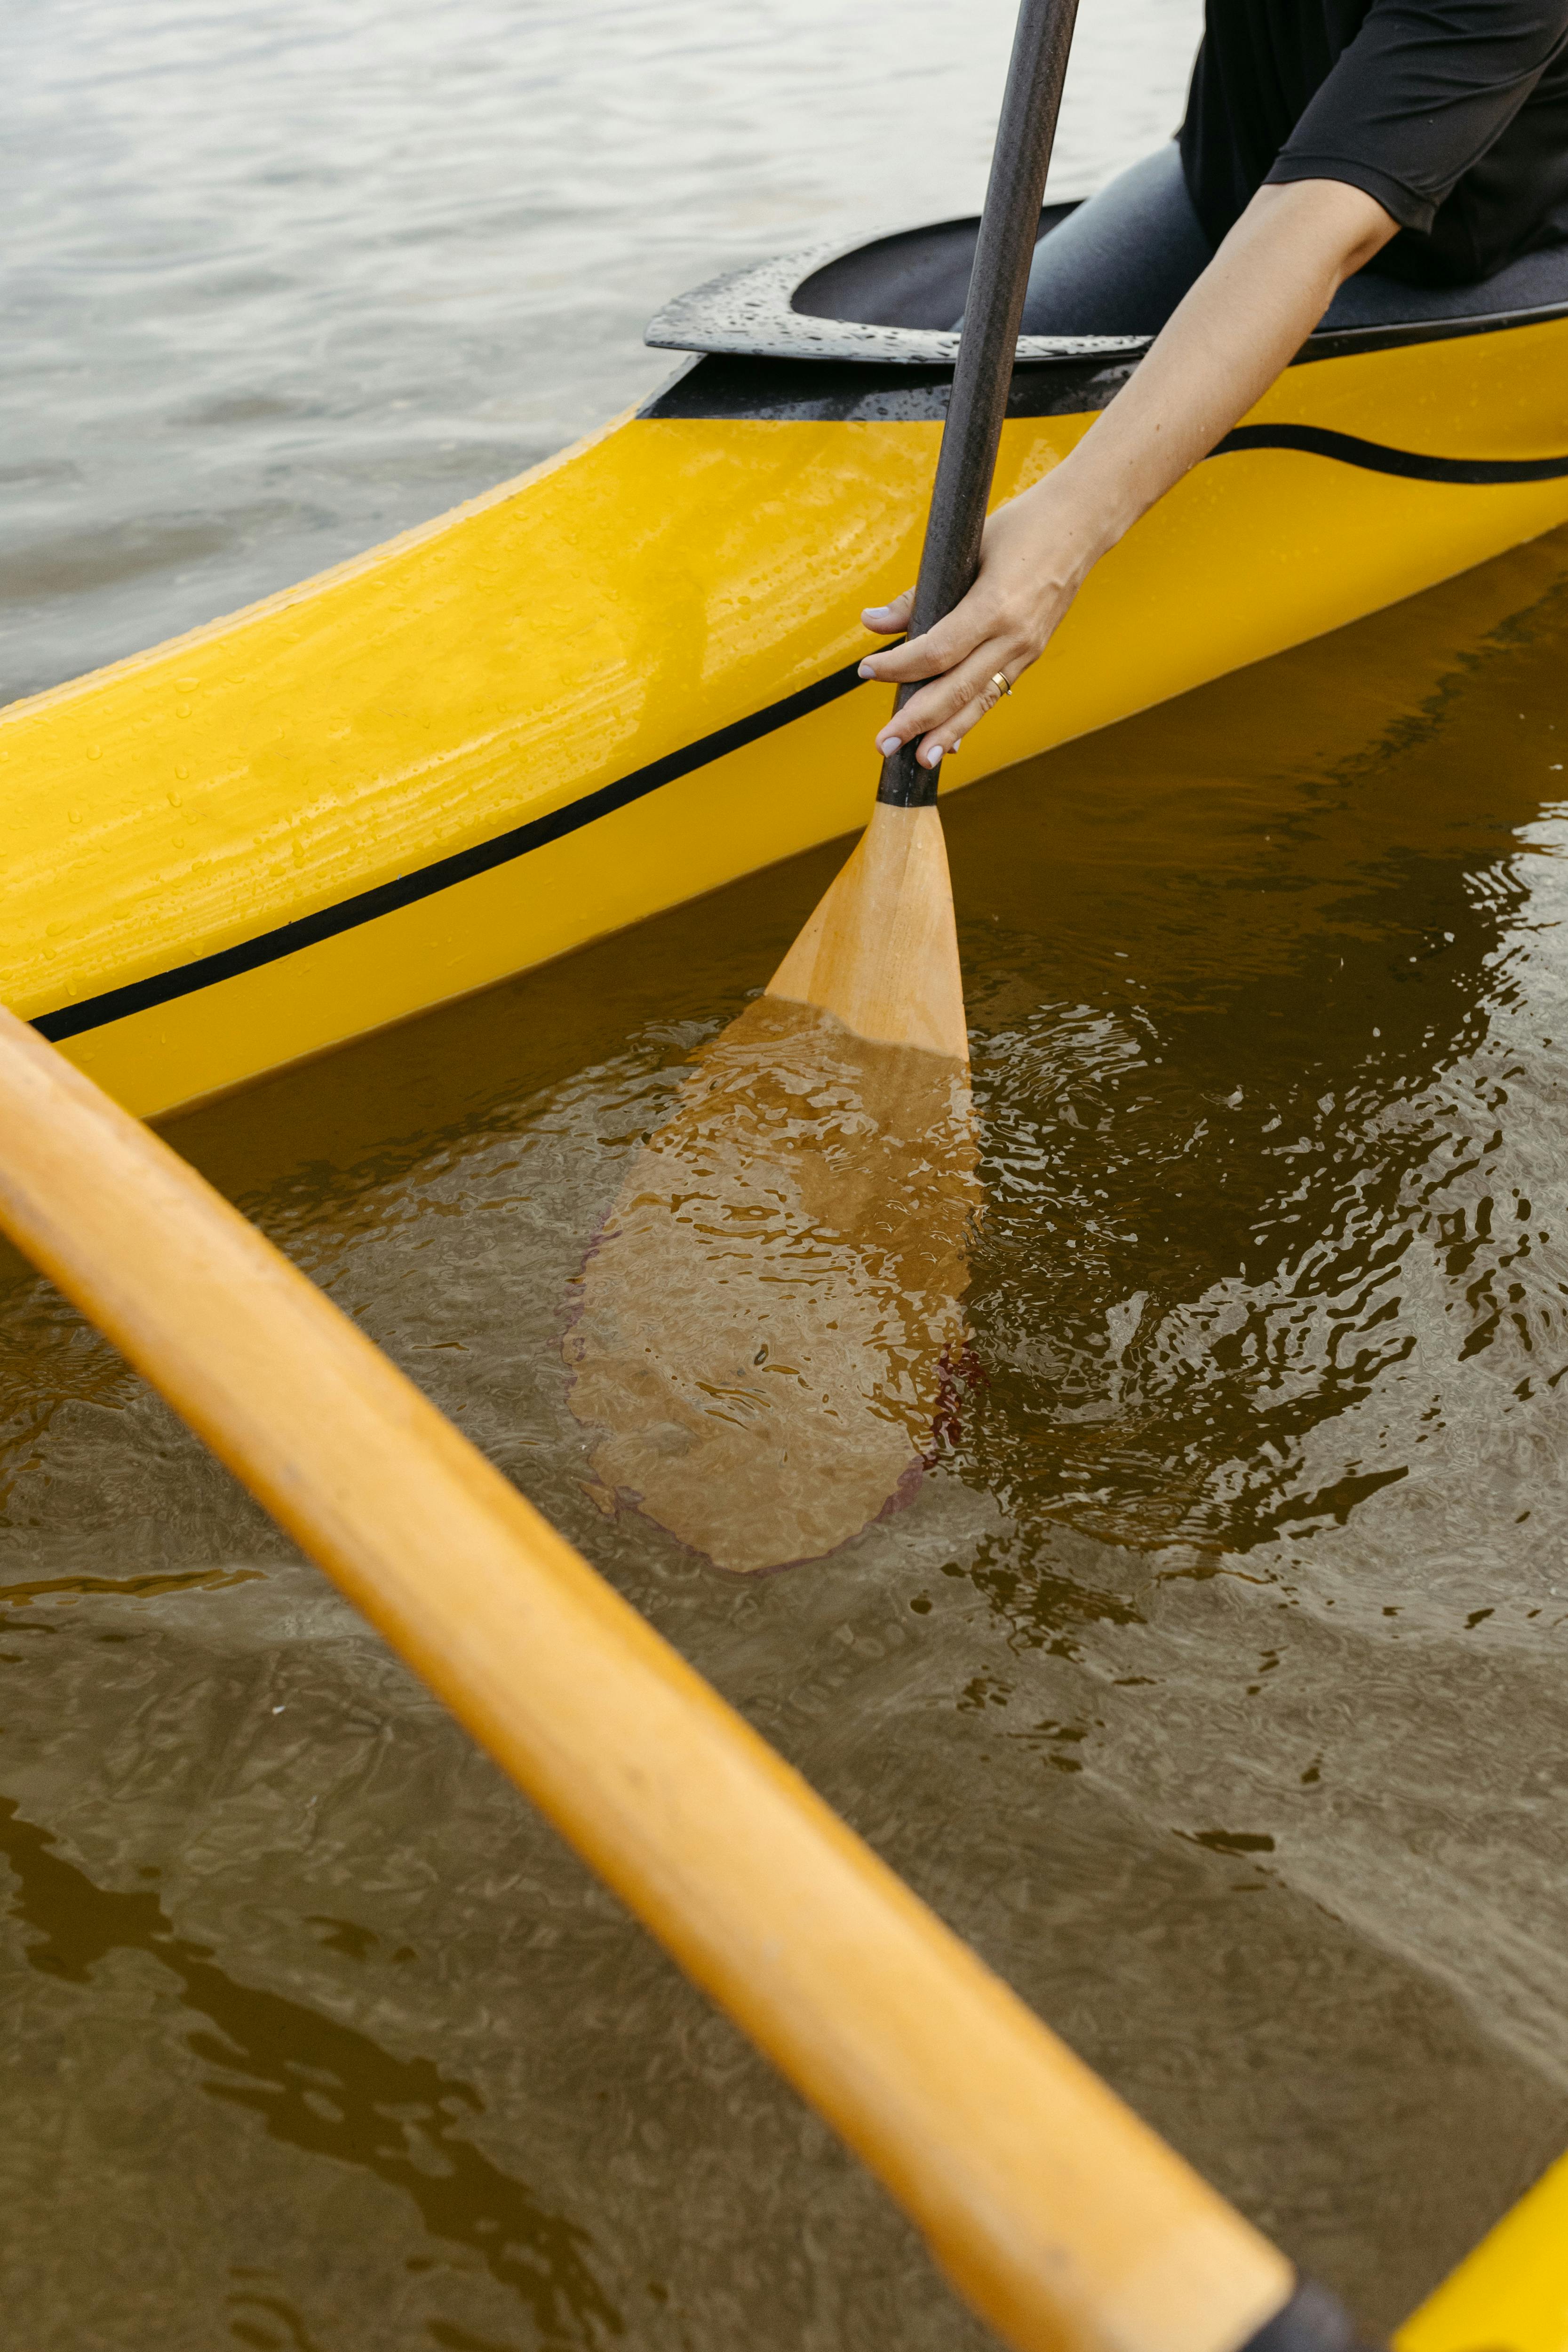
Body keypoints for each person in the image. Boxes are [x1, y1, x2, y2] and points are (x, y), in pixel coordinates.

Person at [858, 0, 1568, 773]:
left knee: (1084, 500)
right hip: (1230, 183)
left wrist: (1067, 532)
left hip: (1466, 247)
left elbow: (1321, 223)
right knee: (941, 389)